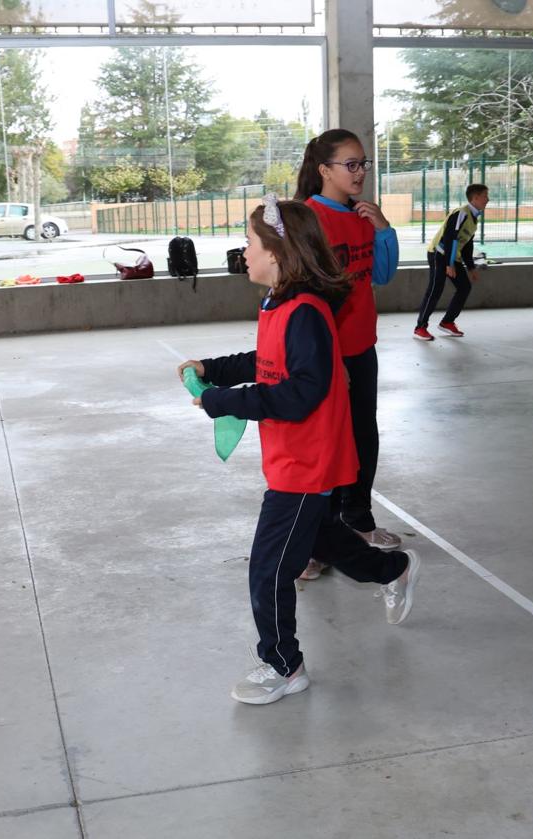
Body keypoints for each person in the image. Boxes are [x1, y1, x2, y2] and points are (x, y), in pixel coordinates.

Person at [176, 195, 421, 706]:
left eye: (249, 243)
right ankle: (392, 569)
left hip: (307, 462)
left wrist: (226, 401)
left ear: (279, 254)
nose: (243, 251)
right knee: (322, 539)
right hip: (296, 455)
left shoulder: (305, 312)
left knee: (268, 566)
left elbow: (303, 390)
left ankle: (283, 665)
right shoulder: (278, 304)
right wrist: (216, 370)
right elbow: (267, 361)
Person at [294, 129, 403, 576]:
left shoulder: (363, 215)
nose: (360, 173)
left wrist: (383, 229)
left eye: (364, 164)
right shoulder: (306, 219)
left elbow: (381, 275)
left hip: (362, 345)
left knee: (363, 437)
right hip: (324, 353)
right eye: (351, 165)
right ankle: (315, 543)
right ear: (324, 170)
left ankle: (357, 521)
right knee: (325, 447)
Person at [414, 183, 489, 340]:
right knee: (435, 290)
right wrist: (449, 264)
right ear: (475, 198)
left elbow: (467, 245)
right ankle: (420, 327)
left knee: (464, 287)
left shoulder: (474, 218)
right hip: (438, 254)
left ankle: (447, 322)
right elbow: (450, 237)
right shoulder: (461, 213)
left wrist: (471, 268)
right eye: (484, 196)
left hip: (452, 257)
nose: (487, 200)